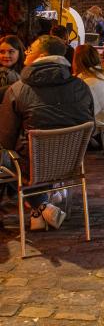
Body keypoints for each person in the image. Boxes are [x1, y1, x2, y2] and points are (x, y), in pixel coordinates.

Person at [0, 35, 94, 230]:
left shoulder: (18, 90)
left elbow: (6, 140)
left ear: (41, 55)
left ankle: (40, 206)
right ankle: (40, 210)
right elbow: (90, 124)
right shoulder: (81, 87)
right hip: (71, 163)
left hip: (31, 166)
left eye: (30, 49)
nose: (27, 51)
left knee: (8, 156)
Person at [73, 44, 104, 128]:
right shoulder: (99, 75)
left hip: (102, 131)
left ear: (77, 62)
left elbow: (84, 114)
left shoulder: (89, 83)